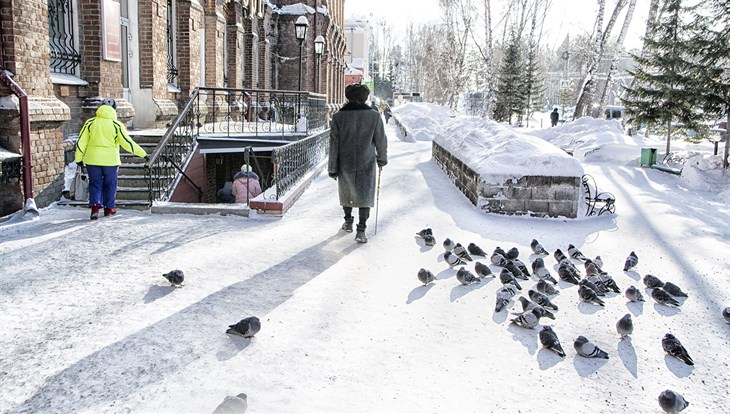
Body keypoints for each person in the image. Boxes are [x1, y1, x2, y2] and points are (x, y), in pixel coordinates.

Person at [328, 84, 388, 243]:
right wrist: (382, 159)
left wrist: (332, 168)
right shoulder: (374, 116)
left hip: (345, 161)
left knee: (346, 191)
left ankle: (348, 222)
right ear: (365, 97)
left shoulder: (338, 117)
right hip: (366, 161)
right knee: (364, 194)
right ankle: (361, 230)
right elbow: (381, 141)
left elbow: (334, 144)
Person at [75, 98, 148, 220]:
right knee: (110, 184)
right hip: (110, 161)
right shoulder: (116, 125)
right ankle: (109, 208)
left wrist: (79, 159)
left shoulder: (90, 123)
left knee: (95, 184)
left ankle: (95, 207)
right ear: (114, 110)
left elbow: (81, 142)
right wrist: (144, 154)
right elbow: (127, 143)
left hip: (92, 160)